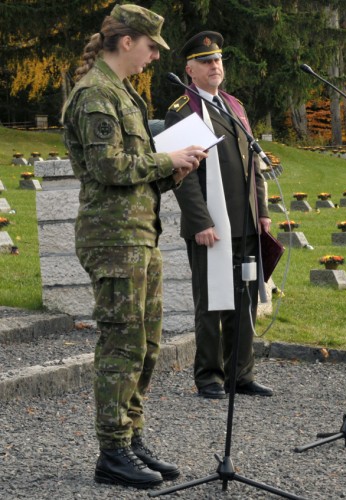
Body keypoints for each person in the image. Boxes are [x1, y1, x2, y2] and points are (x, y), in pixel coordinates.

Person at [61, 4, 207, 489]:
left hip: (138, 233)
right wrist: (164, 160)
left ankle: (132, 436)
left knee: (145, 345)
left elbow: (134, 176)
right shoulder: (95, 95)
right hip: (113, 238)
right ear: (127, 41)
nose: (151, 58)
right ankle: (112, 451)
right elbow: (107, 169)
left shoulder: (122, 94)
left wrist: (172, 171)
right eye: (149, 48)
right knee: (122, 343)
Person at [164, 31, 273, 400]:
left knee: (243, 301)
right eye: (206, 61)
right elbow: (184, 176)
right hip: (211, 223)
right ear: (190, 69)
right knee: (212, 303)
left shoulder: (234, 106)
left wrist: (262, 212)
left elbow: (252, 164)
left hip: (243, 220)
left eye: (218, 60)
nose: (215, 66)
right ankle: (209, 375)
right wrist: (201, 222)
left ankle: (240, 373)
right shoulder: (182, 111)